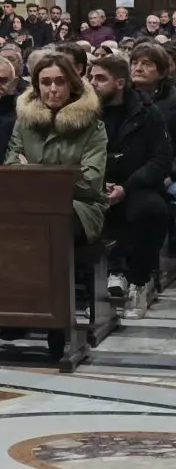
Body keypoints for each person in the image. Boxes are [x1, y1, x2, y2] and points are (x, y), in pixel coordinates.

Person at [89, 54, 171, 317]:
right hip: (95, 185)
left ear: (120, 82)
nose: (93, 84)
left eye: (100, 78)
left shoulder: (147, 112)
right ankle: (110, 274)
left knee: (152, 211)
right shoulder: (86, 111)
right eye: (91, 77)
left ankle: (139, 280)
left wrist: (127, 186)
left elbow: (160, 160)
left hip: (136, 186)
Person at [5, 51, 108, 245]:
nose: (52, 89)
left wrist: (30, 170)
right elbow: (11, 170)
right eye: (45, 82)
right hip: (28, 204)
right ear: (37, 87)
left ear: (71, 85)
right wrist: (65, 174)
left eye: (60, 82)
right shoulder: (24, 123)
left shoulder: (92, 126)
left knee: (46, 223)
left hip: (80, 208)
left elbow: (90, 184)